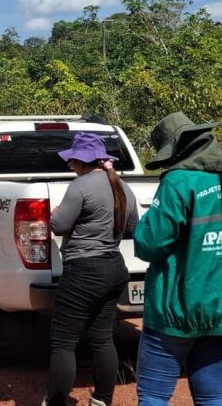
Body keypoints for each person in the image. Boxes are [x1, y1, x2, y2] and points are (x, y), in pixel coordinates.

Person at [133, 112, 222, 406]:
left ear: (177, 149)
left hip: (177, 310)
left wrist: (140, 224)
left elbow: (148, 244)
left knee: (154, 395)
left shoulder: (179, 181)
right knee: (211, 393)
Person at [45, 132, 140, 406]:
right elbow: (133, 228)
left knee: (63, 342)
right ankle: (102, 400)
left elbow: (60, 226)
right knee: (101, 338)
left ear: (81, 160)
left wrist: (55, 214)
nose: (71, 166)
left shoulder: (81, 186)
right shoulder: (123, 186)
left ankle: (57, 401)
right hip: (115, 268)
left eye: (72, 161)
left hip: (83, 271)